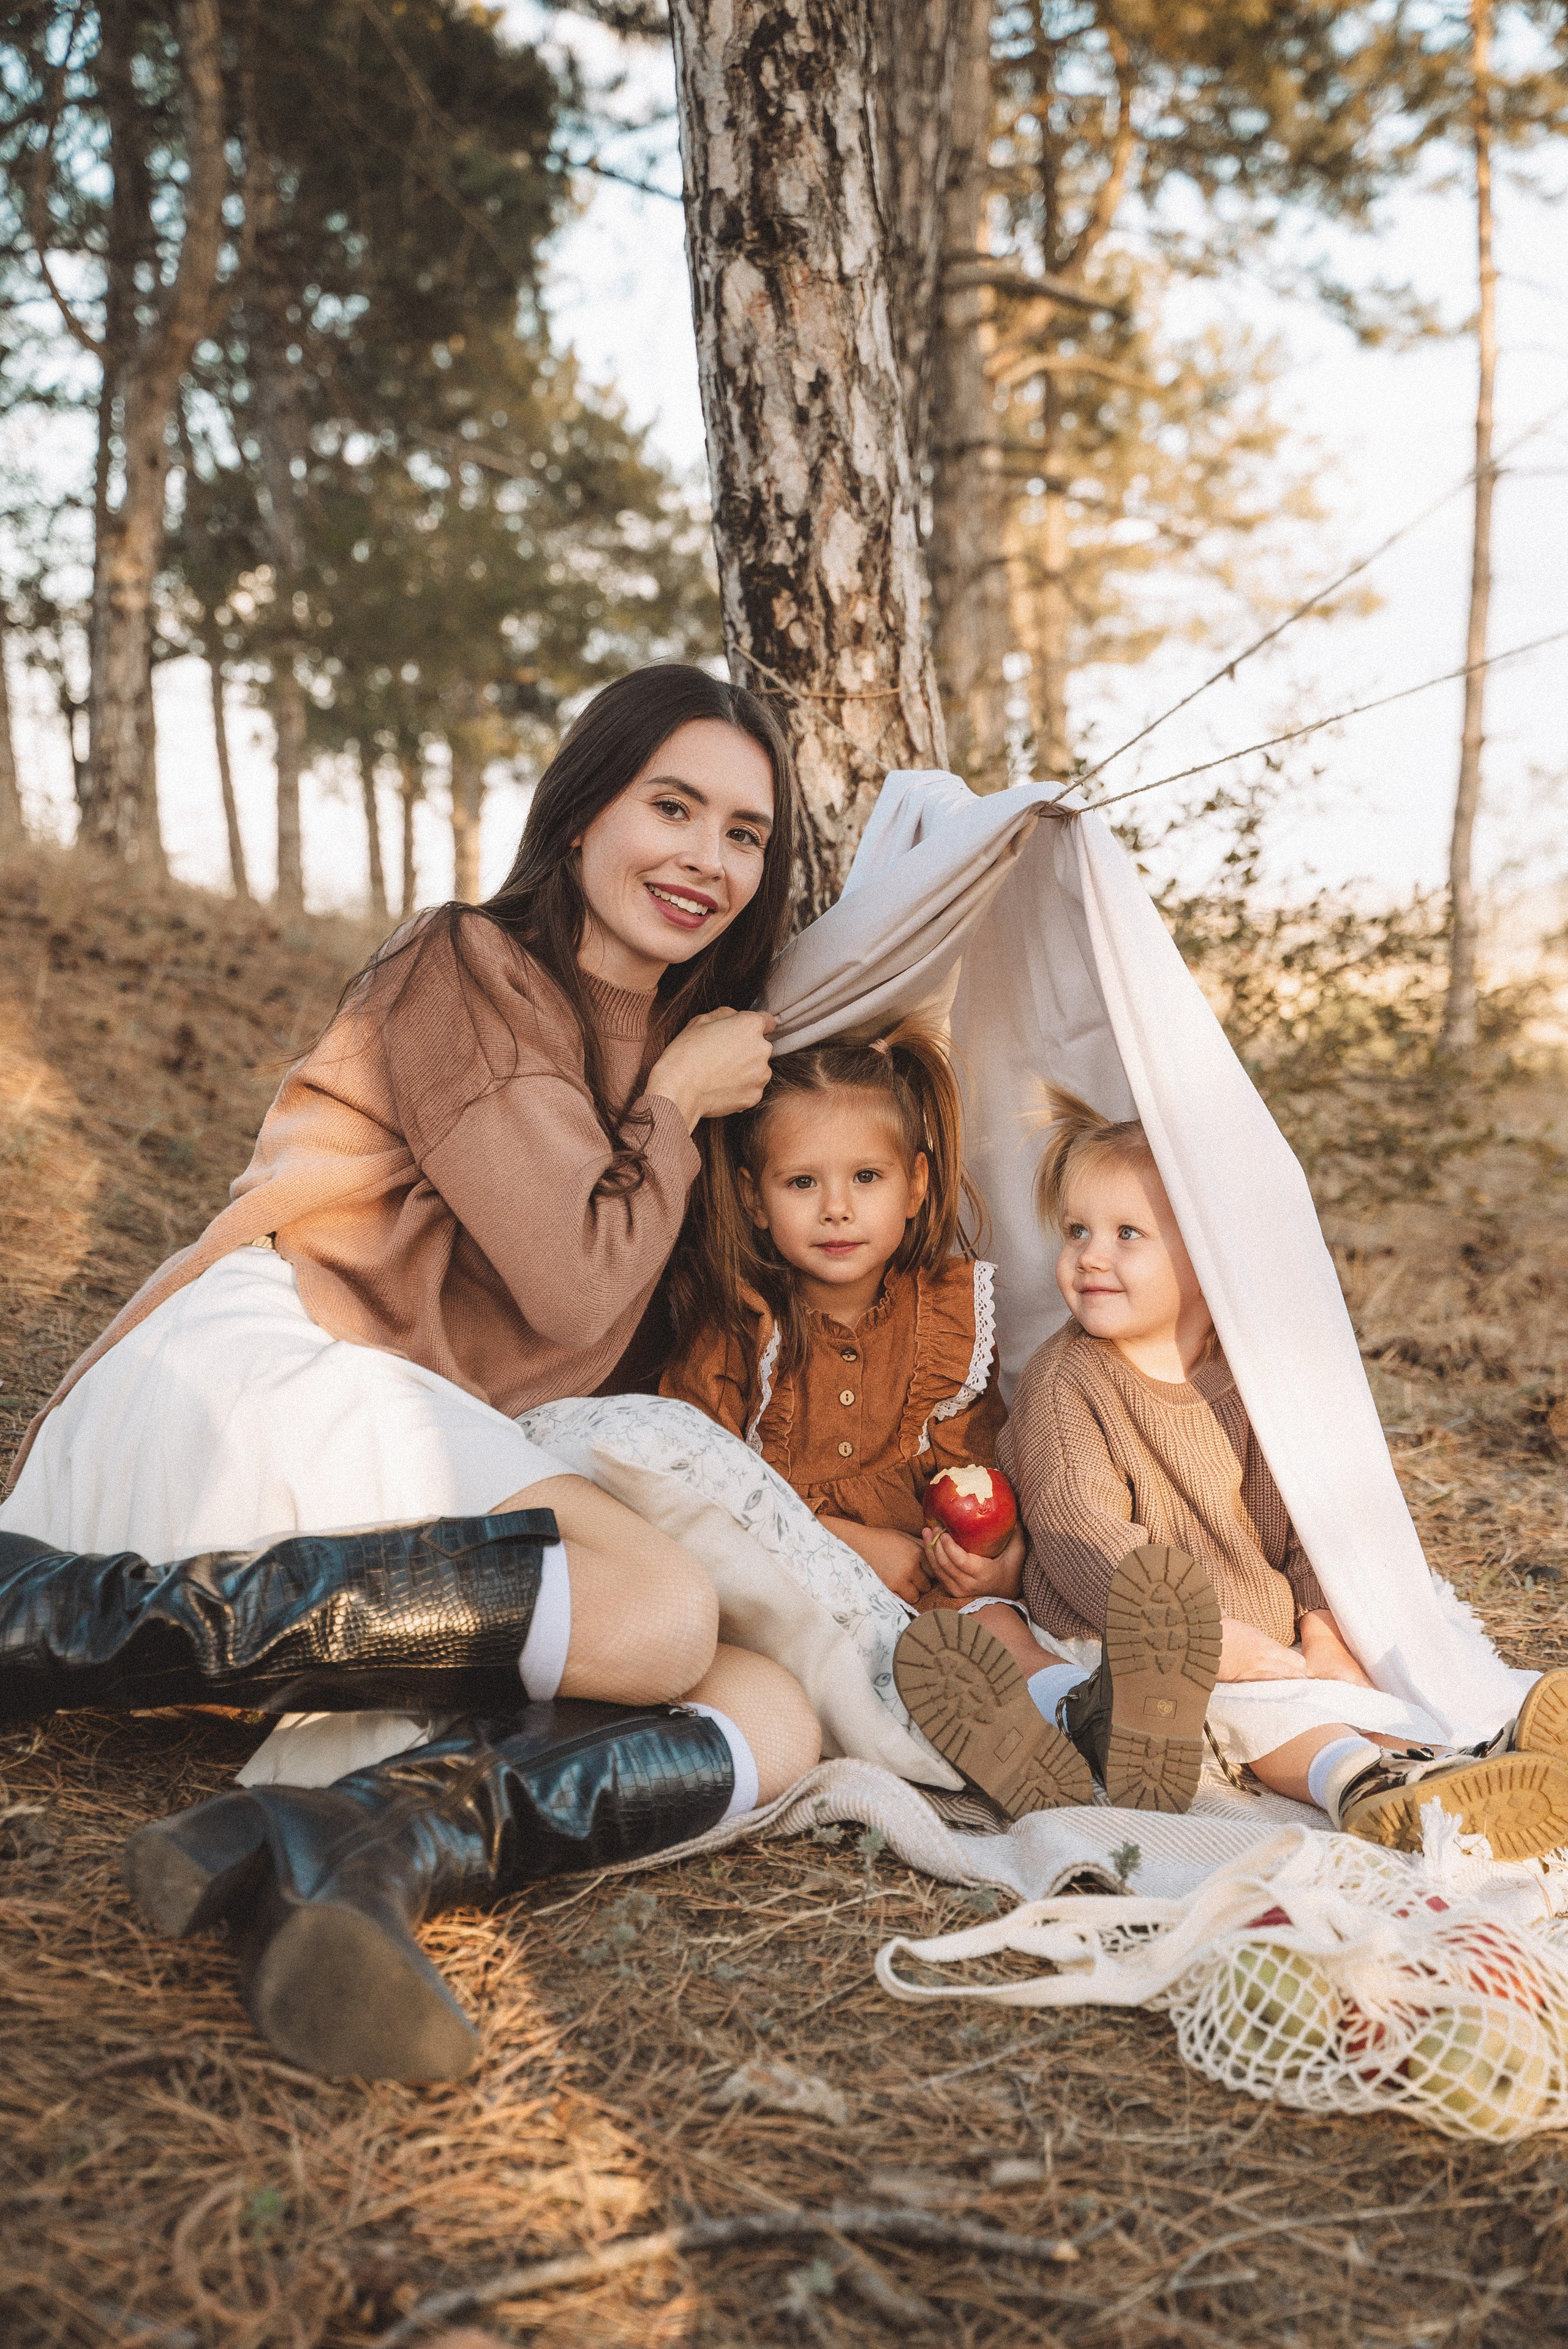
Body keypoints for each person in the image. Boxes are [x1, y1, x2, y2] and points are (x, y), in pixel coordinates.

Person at [0, 663, 824, 2079]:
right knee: (653, 1606)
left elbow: (599, 1348)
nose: (705, 855)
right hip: (264, 1370)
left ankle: (363, 1841)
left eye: (743, 832)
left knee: (770, 1704)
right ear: (581, 815)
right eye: (670, 804)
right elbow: (568, 1282)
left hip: (414, 1471)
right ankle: (45, 1615)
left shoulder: (695, 1060)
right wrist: (676, 1107)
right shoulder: (468, 968)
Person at [902, 1085, 1568, 1856]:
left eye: (1127, 1234)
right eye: (1077, 1230)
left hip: (1262, 1631)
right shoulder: (1066, 1380)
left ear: (1208, 1256)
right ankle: (1356, 1781)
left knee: (1358, 1678)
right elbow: (1077, 1530)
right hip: (1135, 1645)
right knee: (1251, 1713)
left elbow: (1313, 1520)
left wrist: (1322, 1624)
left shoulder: (1254, 1383)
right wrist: (1194, 1640)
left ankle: (1472, 1753)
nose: (1090, 1255)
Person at [662, 1027, 1223, 1819]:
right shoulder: (738, 1328)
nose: (837, 1207)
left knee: (995, 1626)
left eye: (866, 1175)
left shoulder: (947, 1315)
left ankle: (1084, 1716)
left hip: (929, 1587)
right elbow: (696, 1483)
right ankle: (994, 1750)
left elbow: (978, 1467)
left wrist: (998, 1555)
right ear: (754, 1196)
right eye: (800, 1182)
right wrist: (850, 1542)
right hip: (792, 1589)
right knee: (870, 1667)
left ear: (917, 1184)